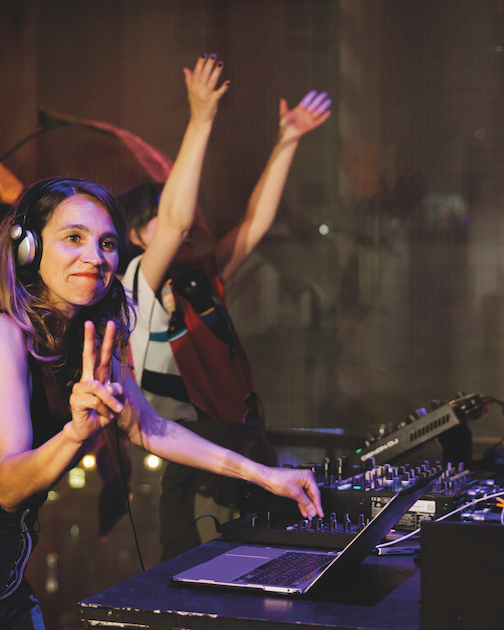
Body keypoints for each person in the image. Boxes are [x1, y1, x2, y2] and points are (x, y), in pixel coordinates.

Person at [0, 173, 324, 629]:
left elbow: (148, 427)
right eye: (74, 238)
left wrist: (265, 475)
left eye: (107, 243)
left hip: (1, 558)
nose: (95, 257)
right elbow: (8, 486)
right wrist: (77, 433)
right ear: (28, 247)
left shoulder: (84, 346)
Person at [118, 56, 331, 561]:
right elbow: (174, 221)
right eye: (169, 212)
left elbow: (255, 224)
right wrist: (201, 118)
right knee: (207, 577)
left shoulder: (199, 277)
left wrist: (287, 141)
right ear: (136, 236)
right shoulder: (136, 284)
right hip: (193, 464)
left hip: (242, 448)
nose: (187, 218)